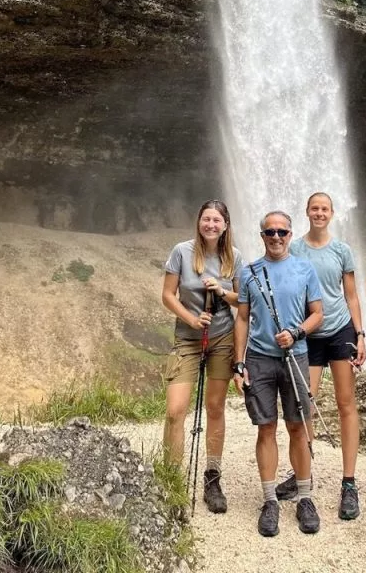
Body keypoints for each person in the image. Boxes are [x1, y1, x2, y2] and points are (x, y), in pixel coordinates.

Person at [276, 191, 366, 520]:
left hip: (340, 329)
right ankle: (304, 474)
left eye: (324, 208)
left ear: (332, 213)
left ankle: (349, 483)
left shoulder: (342, 250)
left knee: (346, 403)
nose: (319, 213)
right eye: (314, 208)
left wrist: (361, 335)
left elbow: (352, 297)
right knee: (305, 404)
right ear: (307, 212)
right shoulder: (295, 248)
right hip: (308, 332)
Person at [233, 210, 324, 537]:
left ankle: (304, 497)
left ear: (290, 234)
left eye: (282, 232)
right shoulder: (249, 273)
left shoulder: (304, 268)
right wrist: (238, 362)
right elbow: (242, 319)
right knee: (266, 428)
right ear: (262, 236)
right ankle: (270, 500)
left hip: (296, 356)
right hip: (259, 359)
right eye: (269, 232)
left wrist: (297, 332)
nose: (275, 237)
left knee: (298, 427)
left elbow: (318, 314)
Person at [161, 199, 243, 514]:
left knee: (214, 407)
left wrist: (222, 291)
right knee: (174, 410)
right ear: (199, 221)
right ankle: (171, 479)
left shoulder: (235, 258)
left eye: (216, 220)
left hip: (222, 338)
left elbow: (242, 301)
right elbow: (168, 295)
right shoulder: (181, 252)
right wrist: (192, 320)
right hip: (187, 338)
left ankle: (212, 475)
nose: (210, 224)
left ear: (225, 225)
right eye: (206, 219)